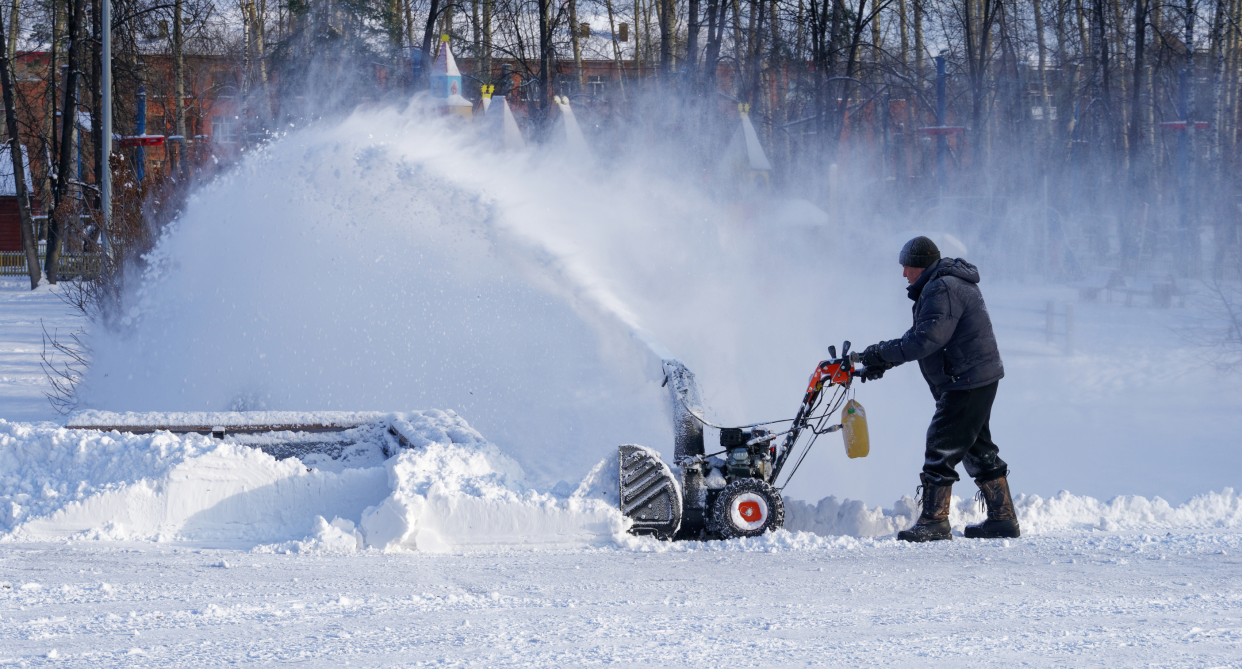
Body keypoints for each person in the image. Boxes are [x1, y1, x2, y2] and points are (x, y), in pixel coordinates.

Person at [858, 236, 1020, 542]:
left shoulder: (942, 287)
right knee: (977, 449)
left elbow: (925, 340)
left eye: (906, 266)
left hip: (966, 380)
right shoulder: (942, 284)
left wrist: (880, 352)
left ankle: (935, 520)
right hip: (974, 377)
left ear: (921, 264)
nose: (903, 273)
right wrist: (883, 360)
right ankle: (1003, 519)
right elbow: (923, 335)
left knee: (941, 444)